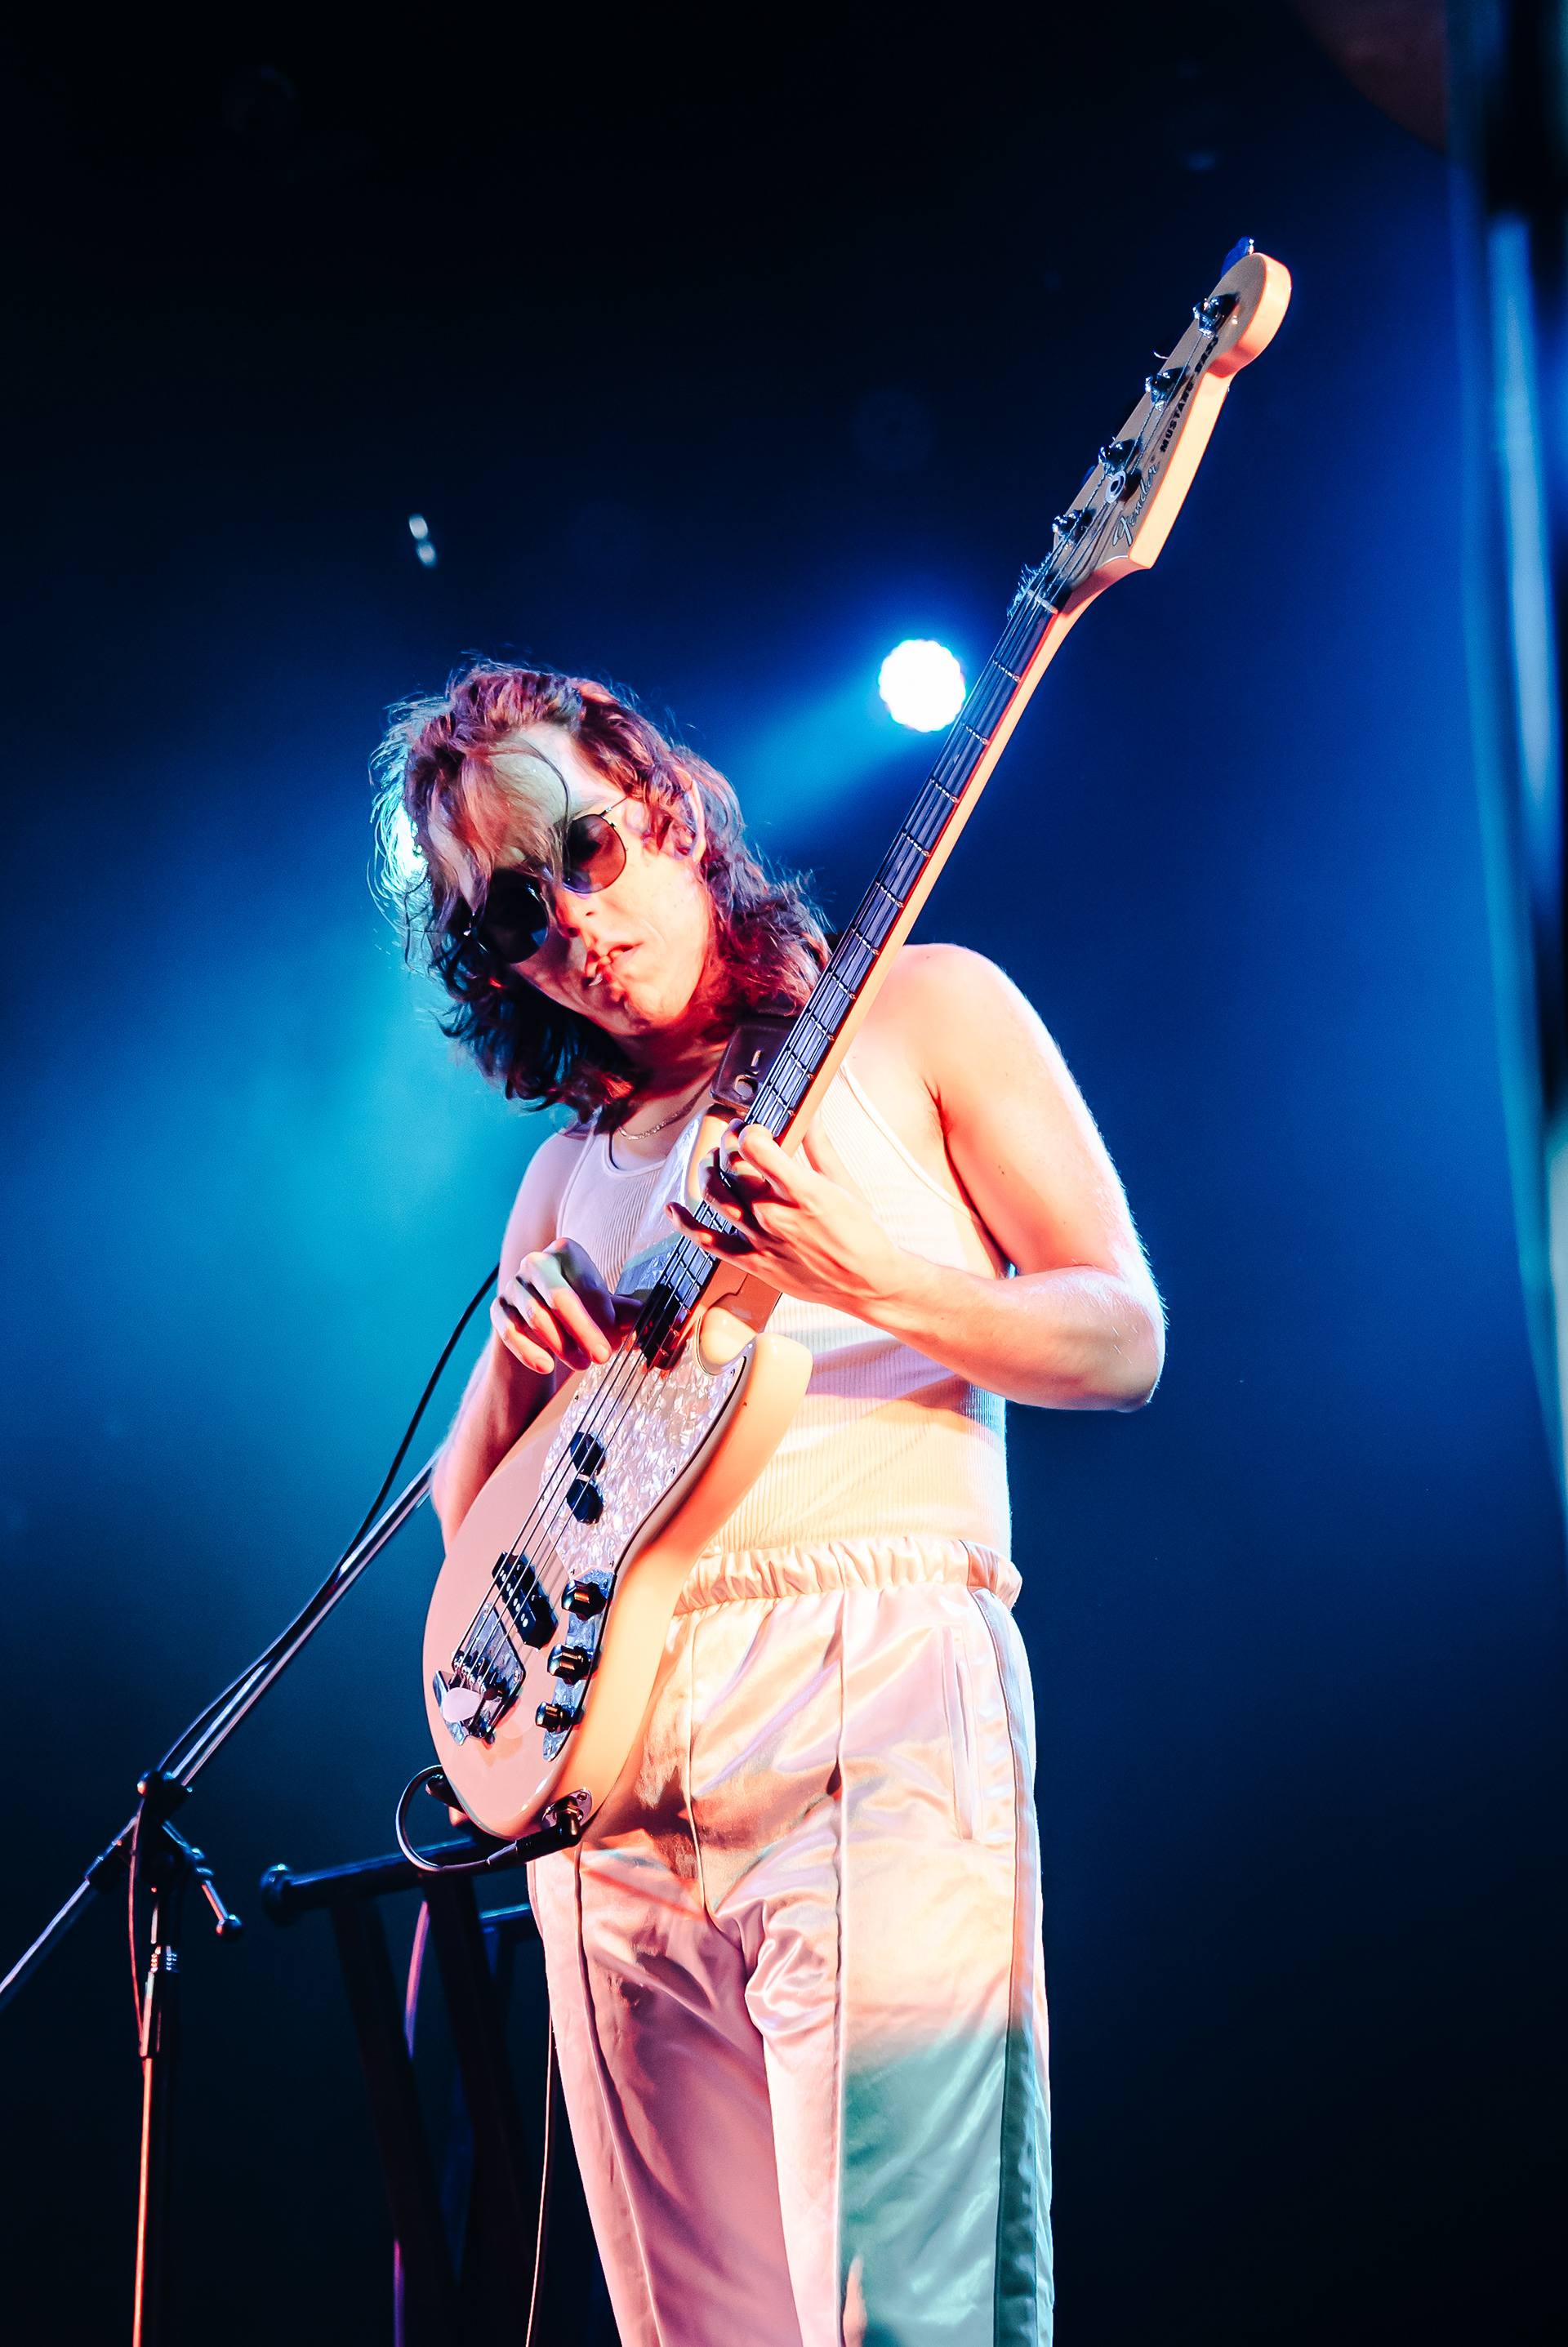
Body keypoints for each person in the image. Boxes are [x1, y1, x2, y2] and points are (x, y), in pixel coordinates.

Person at [377, 661, 1164, 2347]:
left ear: (664, 805)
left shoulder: (925, 1007)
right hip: (610, 1779)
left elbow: (1124, 1338)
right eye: (514, 914)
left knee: (910, 2313)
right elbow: (473, 1538)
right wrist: (513, 1361)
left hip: (868, 1691)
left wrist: (870, 1276)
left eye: (585, 849)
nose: (575, 925)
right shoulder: (563, 1175)